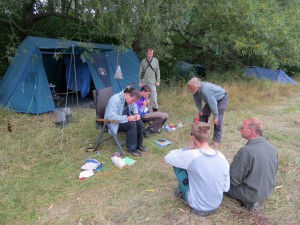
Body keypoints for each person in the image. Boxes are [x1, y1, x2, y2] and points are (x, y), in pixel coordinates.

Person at [165, 122, 230, 216]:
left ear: (193, 138)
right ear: (208, 136)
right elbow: (226, 188)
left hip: (197, 205)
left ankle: (183, 192)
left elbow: (168, 158)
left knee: (177, 164)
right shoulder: (222, 157)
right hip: (216, 204)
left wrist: (187, 148)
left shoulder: (191, 155)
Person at [225, 118, 278, 211]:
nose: (240, 130)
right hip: (266, 191)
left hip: (250, 194)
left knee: (221, 184)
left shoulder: (246, 151)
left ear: (251, 131)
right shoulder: (271, 147)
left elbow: (233, 180)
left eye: (242, 128)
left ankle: (250, 202)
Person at [187, 77, 228, 148]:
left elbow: (213, 103)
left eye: (191, 88)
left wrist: (215, 116)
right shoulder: (195, 90)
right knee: (203, 116)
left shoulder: (206, 90)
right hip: (211, 100)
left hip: (221, 98)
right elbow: (197, 100)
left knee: (217, 121)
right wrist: (200, 110)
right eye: (189, 88)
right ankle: (201, 137)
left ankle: (217, 141)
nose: (189, 90)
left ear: (198, 87)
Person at [104, 87, 146, 157]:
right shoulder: (115, 99)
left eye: (134, 101)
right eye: (132, 100)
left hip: (124, 119)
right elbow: (110, 116)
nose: (133, 102)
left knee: (139, 122)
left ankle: (139, 145)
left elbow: (134, 106)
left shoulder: (129, 98)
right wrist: (126, 118)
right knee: (132, 124)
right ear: (128, 94)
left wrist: (136, 114)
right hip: (114, 123)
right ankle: (131, 149)